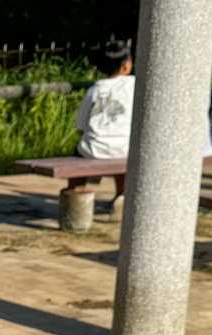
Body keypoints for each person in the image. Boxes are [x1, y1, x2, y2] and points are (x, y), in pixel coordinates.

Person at [74, 40, 135, 214]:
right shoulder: (134, 85)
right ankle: (121, 194)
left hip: (94, 148)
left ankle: (76, 194)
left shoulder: (94, 89)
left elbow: (81, 126)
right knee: (123, 156)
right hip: (124, 147)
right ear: (126, 65)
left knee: (78, 155)